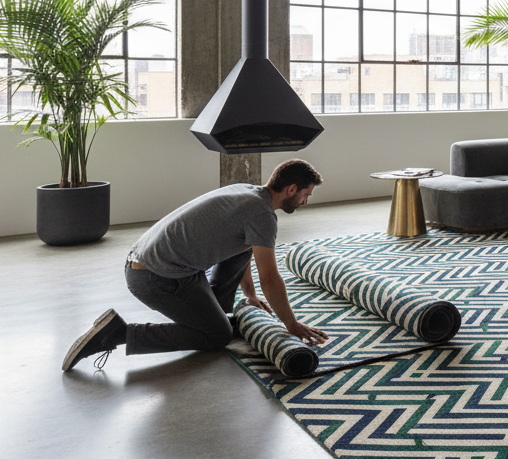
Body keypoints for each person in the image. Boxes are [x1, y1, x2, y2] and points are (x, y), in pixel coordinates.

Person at [62, 159, 329, 371]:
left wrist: (250, 296)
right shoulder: (262, 216)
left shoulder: (246, 191)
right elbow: (270, 277)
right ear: (291, 189)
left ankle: (214, 311)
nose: (306, 201)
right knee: (217, 337)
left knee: (242, 249)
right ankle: (118, 333)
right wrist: (291, 324)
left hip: (149, 262)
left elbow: (240, 251)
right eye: (306, 194)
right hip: (156, 278)